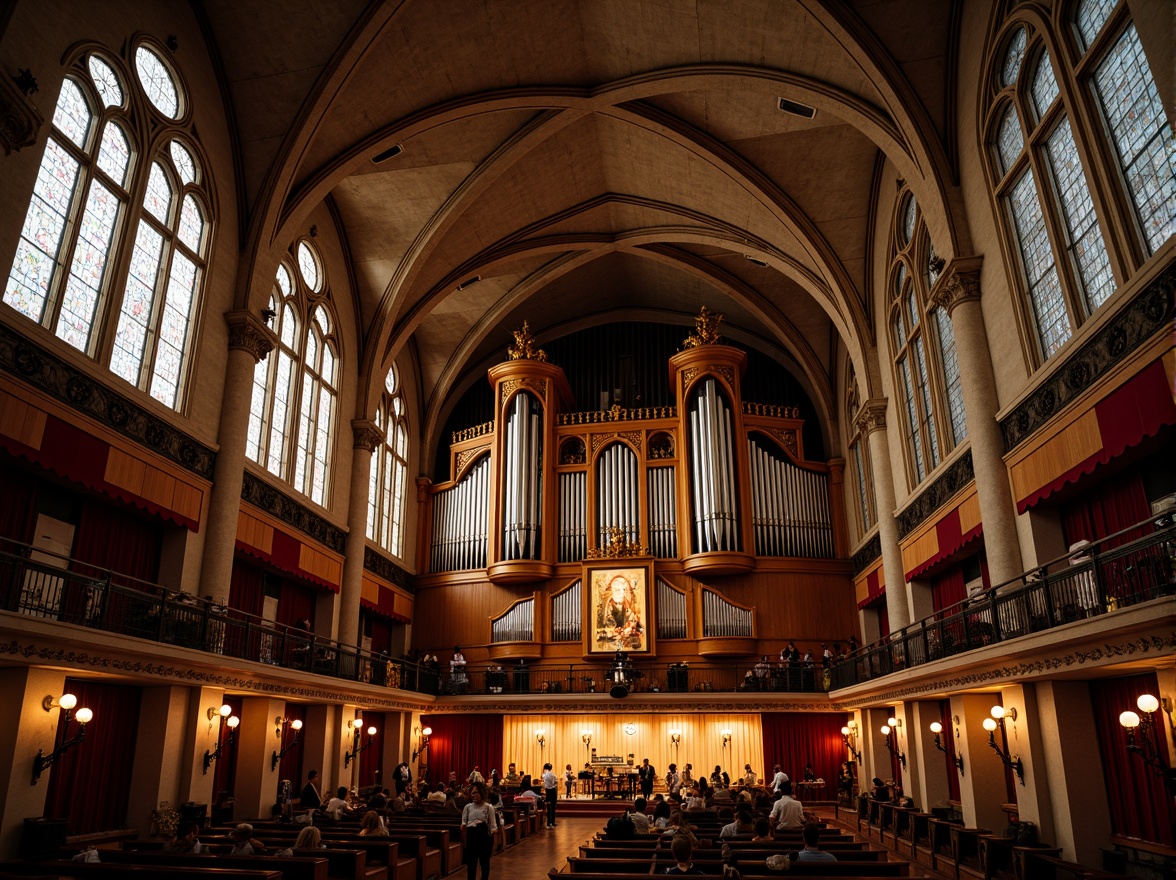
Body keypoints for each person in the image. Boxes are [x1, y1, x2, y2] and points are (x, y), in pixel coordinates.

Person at [461, 782, 501, 880]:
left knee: (484, 863)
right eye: (472, 793)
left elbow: (494, 827)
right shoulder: (468, 807)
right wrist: (465, 840)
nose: (473, 795)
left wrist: (491, 832)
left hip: (484, 837)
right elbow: (463, 825)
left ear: (482, 793)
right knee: (471, 865)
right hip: (471, 836)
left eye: (476, 793)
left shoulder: (488, 807)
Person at [597, 573, 643, 649]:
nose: (622, 593)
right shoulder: (605, 609)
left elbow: (635, 624)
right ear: (611, 592)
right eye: (618, 590)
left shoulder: (627, 607)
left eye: (625, 590)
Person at [541, 761, 559, 828]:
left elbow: (544, 784)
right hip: (553, 791)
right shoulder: (553, 775)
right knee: (553, 807)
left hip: (548, 791)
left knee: (549, 807)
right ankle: (552, 822)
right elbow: (555, 783)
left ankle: (548, 823)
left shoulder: (544, 775)